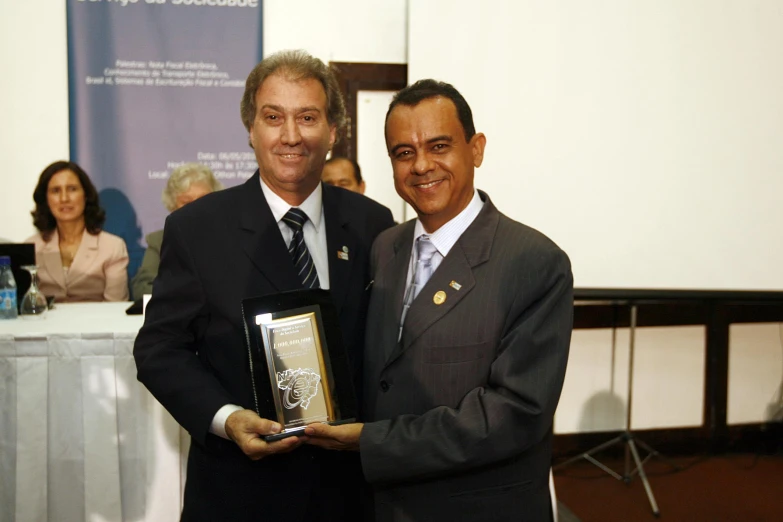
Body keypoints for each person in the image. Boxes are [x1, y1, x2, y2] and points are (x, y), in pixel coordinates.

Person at [133, 50, 395, 522]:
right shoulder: (197, 228)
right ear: (251, 131)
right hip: (240, 490)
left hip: (350, 491)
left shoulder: (373, 223)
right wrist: (226, 419)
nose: (290, 135)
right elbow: (159, 349)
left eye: (308, 117)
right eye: (273, 117)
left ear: (333, 132)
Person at [304, 80, 574, 522]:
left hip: (477, 507)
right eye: (404, 153)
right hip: (382, 504)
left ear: (477, 149)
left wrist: (370, 442)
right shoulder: (384, 247)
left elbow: (515, 414)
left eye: (439, 145)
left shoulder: (535, 262)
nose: (422, 165)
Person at [27, 161, 129, 302]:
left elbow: (116, 306)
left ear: (86, 195)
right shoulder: (32, 247)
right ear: (46, 199)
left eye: (72, 189)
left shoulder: (112, 246)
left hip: (98, 323)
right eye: (56, 191)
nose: (64, 198)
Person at [131, 163, 222, 300]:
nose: (196, 208)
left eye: (204, 199)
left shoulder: (230, 236)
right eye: (187, 202)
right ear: (172, 206)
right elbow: (142, 289)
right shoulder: (158, 241)